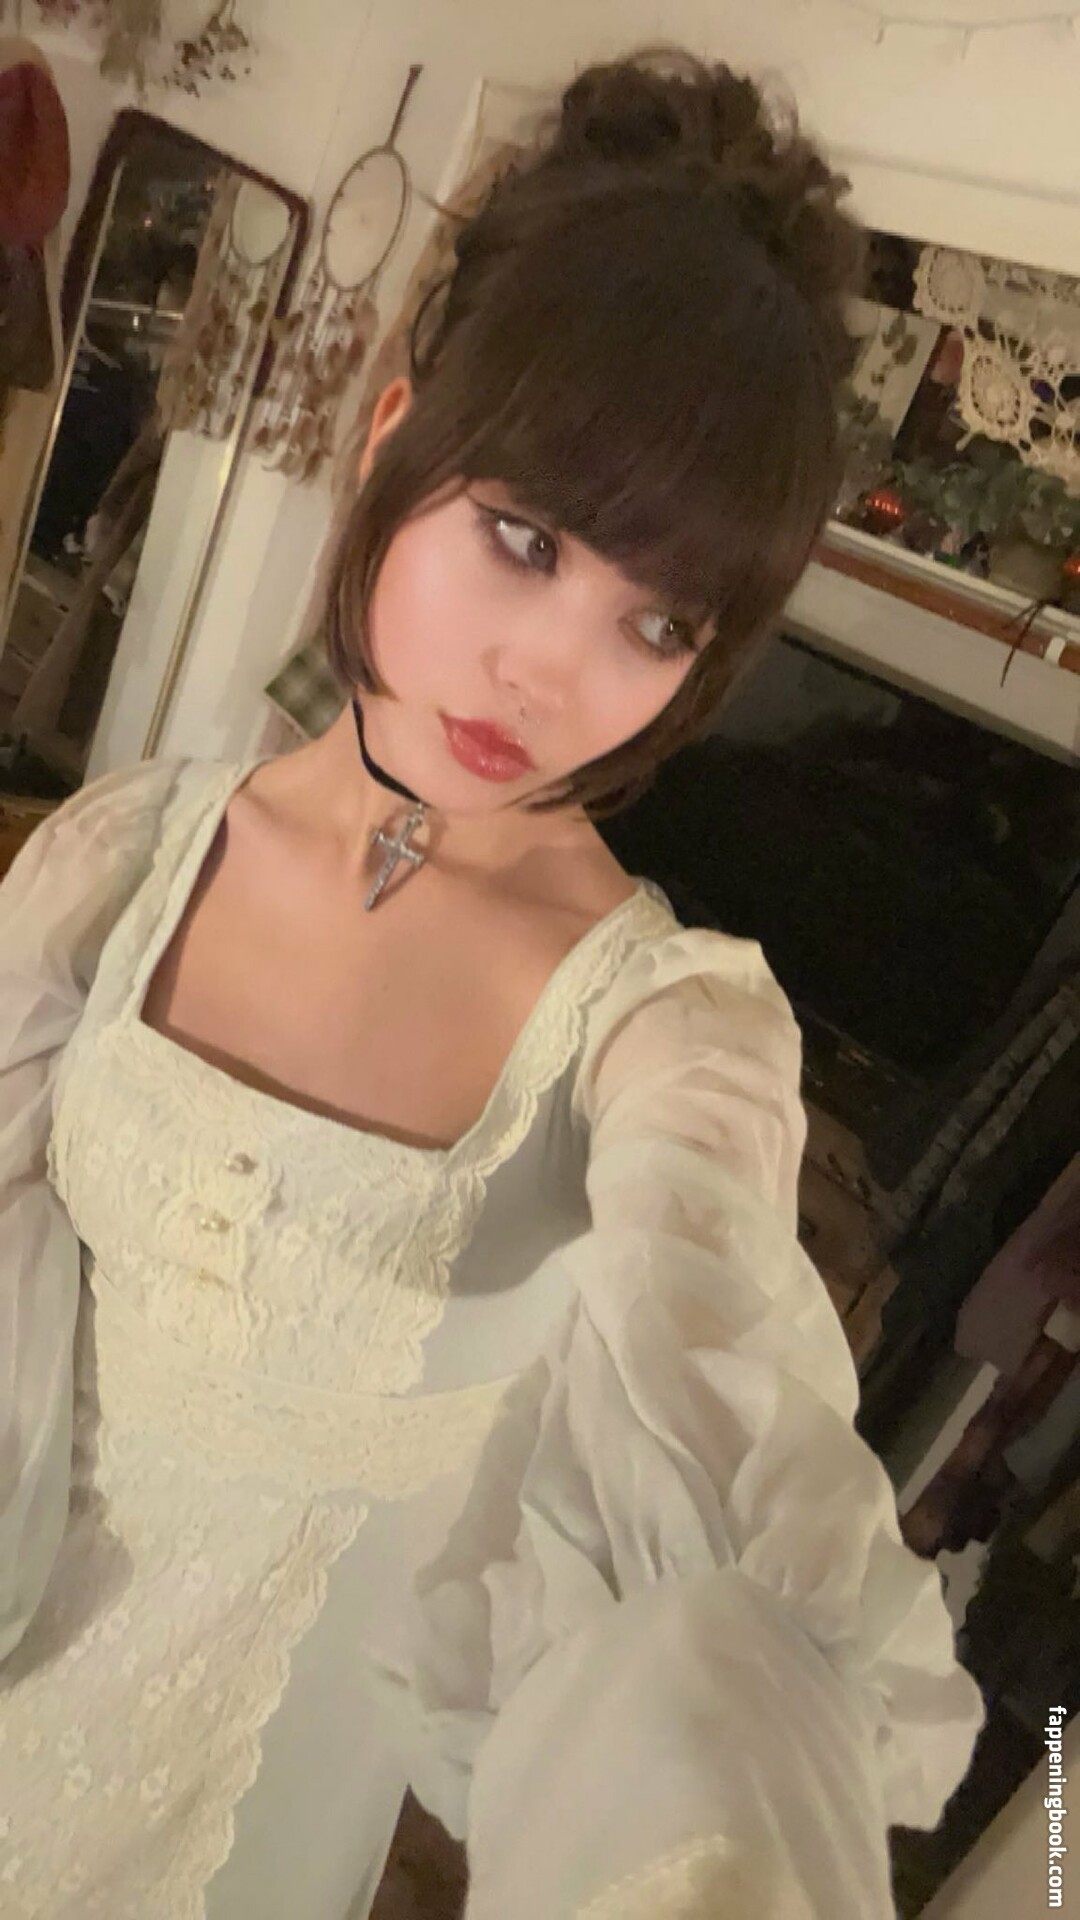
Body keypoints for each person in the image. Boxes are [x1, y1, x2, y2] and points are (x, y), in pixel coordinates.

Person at [0, 47, 983, 1920]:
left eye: (655, 622)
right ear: (392, 441)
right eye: (524, 540)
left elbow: (716, 1407)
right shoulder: (122, 859)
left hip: (238, 1834)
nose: (550, 673)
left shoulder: (666, 1034)